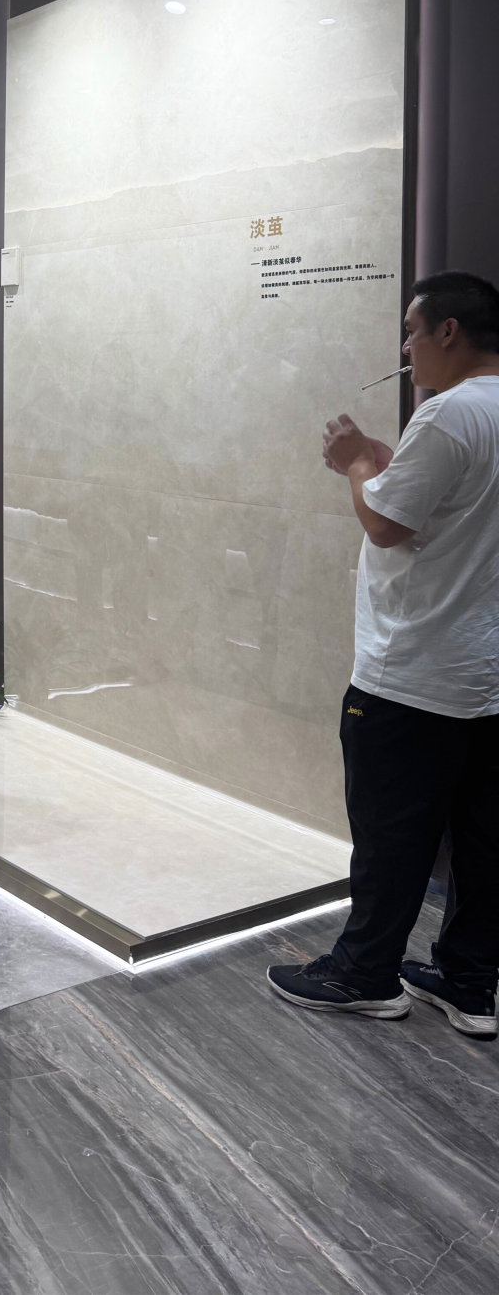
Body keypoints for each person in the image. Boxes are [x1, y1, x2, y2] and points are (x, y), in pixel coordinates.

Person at [268, 272, 499, 1036]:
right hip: (486, 675)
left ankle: (365, 974)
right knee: (483, 841)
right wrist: (387, 462)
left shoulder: (450, 412)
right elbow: (455, 507)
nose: (404, 349)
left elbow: (388, 525)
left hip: (413, 674)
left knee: (391, 834)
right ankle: (470, 984)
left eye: (410, 331)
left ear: (448, 332)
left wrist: (355, 463)